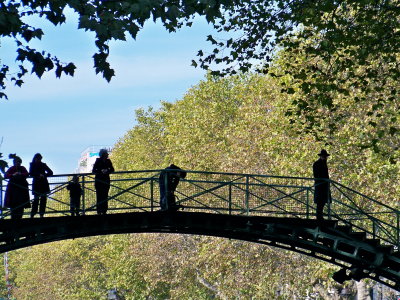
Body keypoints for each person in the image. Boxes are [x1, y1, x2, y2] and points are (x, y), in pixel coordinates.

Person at [4, 154, 30, 219]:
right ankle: (13, 217)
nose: (18, 163)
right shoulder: (11, 168)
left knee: (21, 204)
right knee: (13, 204)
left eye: (19, 162)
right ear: (14, 163)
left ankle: (19, 217)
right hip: (13, 189)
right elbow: (6, 175)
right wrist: (13, 175)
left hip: (21, 189)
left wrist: (20, 174)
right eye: (16, 162)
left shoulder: (22, 168)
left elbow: (27, 174)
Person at [29, 153, 53, 218]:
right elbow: (31, 173)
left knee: (42, 200)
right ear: (35, 158)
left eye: (39, 159)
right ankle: (33, 214)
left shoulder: (42, 164)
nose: (38, 160)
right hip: (38, 184)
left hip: (43, 184)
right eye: (38, 158)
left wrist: (44, 175)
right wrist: (39, 174)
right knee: (36, 200)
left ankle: (41, 214)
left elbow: (51, 172)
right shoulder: (32, 164)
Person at [92, 149, 114, 215]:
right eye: (106, 154)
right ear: (103, 155)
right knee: (99, 196)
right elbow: (93, 170)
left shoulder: (108, 161)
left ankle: (104, 210)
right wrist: (101, 171)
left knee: (105, 196)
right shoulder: (98, 160)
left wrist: (107, 170)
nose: (107, 155)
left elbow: (112, 169)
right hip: (99, 181)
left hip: (106, 181)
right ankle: (99, 211)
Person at [313, 149, 331, 221]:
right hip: (320, 185)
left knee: (323, 202)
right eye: (324, 156)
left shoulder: (324, 163)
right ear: (321, 156)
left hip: (324, 185)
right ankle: (319, 216)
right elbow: (316, 175)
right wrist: (323, 181)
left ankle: (320, 216)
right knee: (320, 202)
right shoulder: (317, 164)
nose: (325, 157)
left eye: (325, 156)